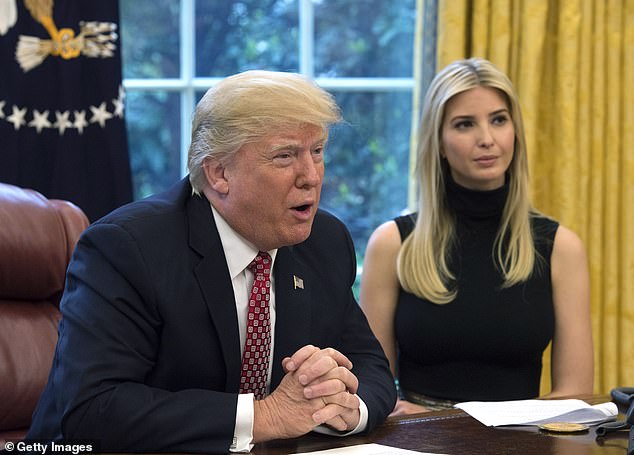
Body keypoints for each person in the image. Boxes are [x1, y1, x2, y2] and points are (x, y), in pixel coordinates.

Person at [26, 70, 396, 452]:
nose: (312, 176)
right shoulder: (127, 248)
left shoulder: (325, 240)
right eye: (285, 155)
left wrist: (346, 407)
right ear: (219, 173)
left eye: (317, 151)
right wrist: (267, 415)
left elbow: (369, 365)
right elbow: (93, 410)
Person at [360, 58, 593, 416]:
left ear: (515, 130)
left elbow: (575, 394)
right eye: (465, 124)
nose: (487, 139)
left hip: (523, 442)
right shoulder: (392, 244)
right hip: (420, 443)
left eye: (499, 120)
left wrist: (469, 424)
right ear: (438, 141)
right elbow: (371, 387)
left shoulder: (560, 247)